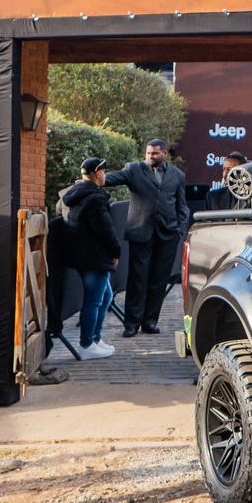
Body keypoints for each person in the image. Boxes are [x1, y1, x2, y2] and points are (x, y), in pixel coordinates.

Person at [74, 138, 187, 338]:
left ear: (164, 154)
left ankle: (150, 321)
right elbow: (112, 178)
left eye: (154, 153)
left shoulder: (177, 175)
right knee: (137, 279)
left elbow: (182, 205)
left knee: (159, 280)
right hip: (141, 233)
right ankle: (132, 324)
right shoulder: (134, 169)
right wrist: (89, 181)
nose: (150, 157)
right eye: (148, 153)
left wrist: (179, 230)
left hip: (168, 234)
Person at [60, 157, 122, 359]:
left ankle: (94, 339)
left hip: (84, 255)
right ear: (97, 174)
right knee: (94, 300)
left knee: (105, 297)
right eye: (104, 171)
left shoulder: (78, 194)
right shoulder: (95, 198)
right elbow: (105, 230)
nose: (105, 175)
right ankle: (87, 345)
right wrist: (116, 252)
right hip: (94, 257)